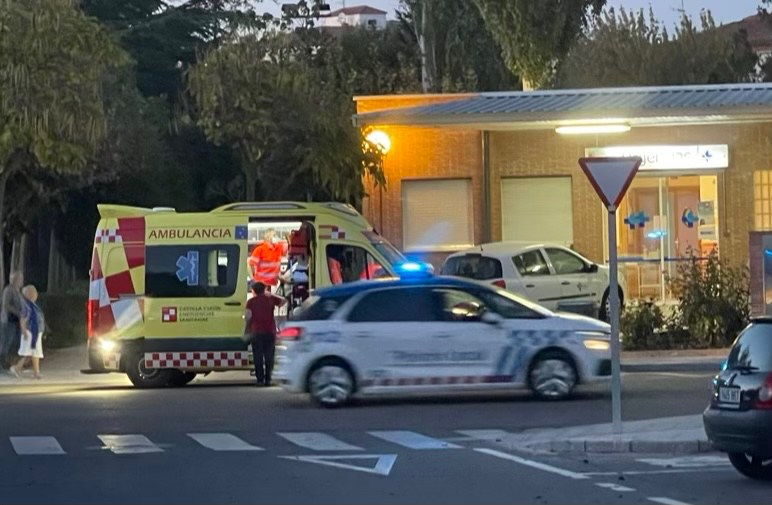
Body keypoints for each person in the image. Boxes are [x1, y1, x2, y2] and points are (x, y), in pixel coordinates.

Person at [245, 282, 286, 387]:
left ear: (253, 291)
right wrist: (270, 294)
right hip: (269, 331)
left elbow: (248, 317)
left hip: (256, 332)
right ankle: (268, 379)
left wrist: (247, 329)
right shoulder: (270, 299)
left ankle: (260, 380)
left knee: (257, 356)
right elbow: (283, 301)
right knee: (269, 357)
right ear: (264, 290)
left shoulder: (250, 302)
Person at [11, 285, 44, 379]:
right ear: (30, 295)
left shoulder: (33, 305)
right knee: (27, 352)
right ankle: (17, 367)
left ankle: (36, 372)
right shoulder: (26, 306)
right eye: (34, 293)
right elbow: (22, 319)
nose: (36, 295)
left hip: (36, 331)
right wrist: (24, 331)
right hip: (30, 332)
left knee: (35, 353)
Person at [0, 271, 25, 371]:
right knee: (6, 342)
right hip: (9, 320)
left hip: (16, 321)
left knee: (14, 342)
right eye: (19, 279)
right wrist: (18, 313)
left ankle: (10, 363)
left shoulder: (18, 291)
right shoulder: (9, 290)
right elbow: (6, 306)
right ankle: (2, 363)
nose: (21, 281)